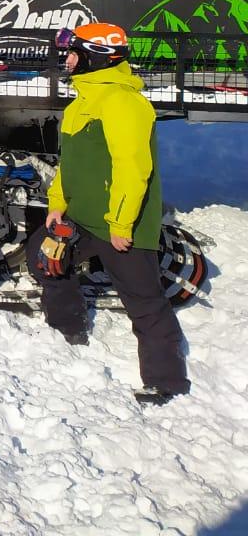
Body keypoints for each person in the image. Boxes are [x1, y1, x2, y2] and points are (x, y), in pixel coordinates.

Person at [26, 23, 189, 405]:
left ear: (95, 56)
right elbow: (72, 163)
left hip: (122, 223)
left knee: (144, 299)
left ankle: (167, 381)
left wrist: (120, 223)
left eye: (72, 51)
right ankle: (69, 328)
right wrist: (57, 203)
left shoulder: (124, 102)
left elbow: (132, 168)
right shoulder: (80, 102)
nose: (65, 58)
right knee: (44, 259)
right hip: (81, 216)